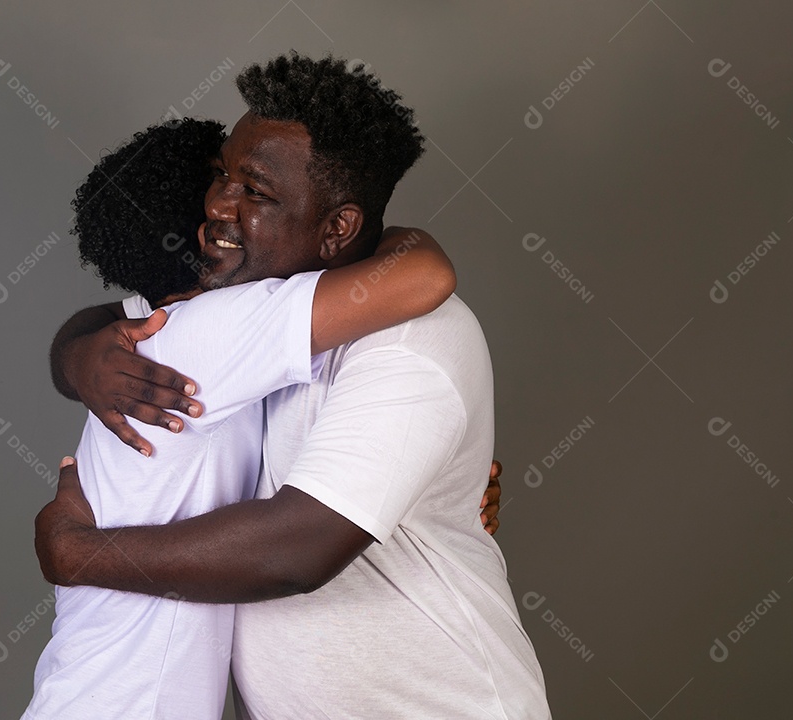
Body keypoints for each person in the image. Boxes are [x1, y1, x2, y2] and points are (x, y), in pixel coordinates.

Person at [37, 52, 548, 718]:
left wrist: (81, 554)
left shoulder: (413, 342)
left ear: (337, 228)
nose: (216, 204)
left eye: (255, 191)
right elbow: (131, 320)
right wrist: (77, 353)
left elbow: (295, 552)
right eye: (221, 174)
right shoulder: (251, 308)